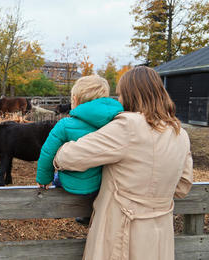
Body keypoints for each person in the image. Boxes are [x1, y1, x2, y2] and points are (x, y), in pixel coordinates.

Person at [53, 66, 193, 260]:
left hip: (121, 233)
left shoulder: (127, 126)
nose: (119, 100)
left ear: (131, 95)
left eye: (120, 94)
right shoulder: (179, 133)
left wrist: (61, 147)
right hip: (160, 236)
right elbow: (182, 187)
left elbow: (69, 157)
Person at [36, 75, 124, 208]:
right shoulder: (115, 122)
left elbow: (47, 153)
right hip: (102, 185)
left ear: (75, 100)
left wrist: (43, 179)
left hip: (70, 184)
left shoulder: (64, 124)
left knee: (56, 179)